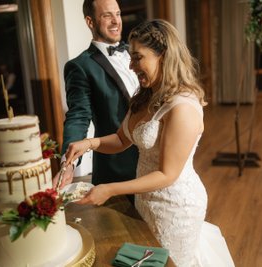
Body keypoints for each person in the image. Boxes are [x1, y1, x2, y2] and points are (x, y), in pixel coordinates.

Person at [63, 19, 235, 266]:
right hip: (146, 201)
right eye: (131, 58)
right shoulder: (145, 96)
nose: (131, 66)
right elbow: (122, 139)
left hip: (175, 207)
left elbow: (167, 174)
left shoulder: (183, 106)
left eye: (137, 57)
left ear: (162, 55)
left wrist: (109, 189)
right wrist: (89, 143)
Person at [56, 0, 139, 187]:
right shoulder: (80, 67)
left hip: (156, 161)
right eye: (107, 15)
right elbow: (78, 116)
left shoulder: (137, 53)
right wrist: (67, 163)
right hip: (119, 168)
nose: (116, 21)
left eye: (117, 14)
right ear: (90, 22)